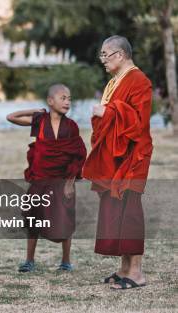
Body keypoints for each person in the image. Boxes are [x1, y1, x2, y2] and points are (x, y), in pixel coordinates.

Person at [82, 35, 153, 290]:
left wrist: (108, 111)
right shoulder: (115, 82)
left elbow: (139, 122)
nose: (102, 59)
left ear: (120, 55)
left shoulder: (139, 80)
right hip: (116, 155)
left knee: (130, 208)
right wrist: (104, 115)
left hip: (134, 155)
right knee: (116, 207)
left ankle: (136, 272)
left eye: (105, 54)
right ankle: (124, 268)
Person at [6, 84, 86, 273]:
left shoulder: (71, 126)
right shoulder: (39, 121)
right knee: (33, 217)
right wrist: (36, 111)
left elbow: (79, 154)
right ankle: (29, 260)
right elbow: (11, 117)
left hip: (62, 179)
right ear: (50, 101)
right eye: (63, 98)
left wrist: (69, 184)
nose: (67, 102)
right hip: (40, 179)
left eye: (69, 99)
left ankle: (65, 261)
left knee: (66, 218)